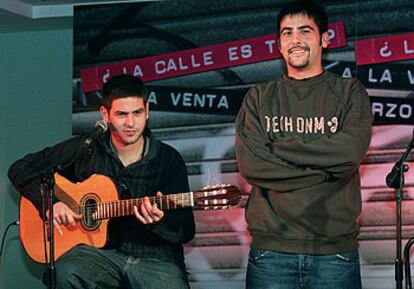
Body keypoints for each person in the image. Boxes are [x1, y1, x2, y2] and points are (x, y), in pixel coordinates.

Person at [8, 74, 195, 289]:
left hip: (154, 257)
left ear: (147, 111)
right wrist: (49, 205)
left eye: (137, 113)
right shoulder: (86, 148)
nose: (131, 123)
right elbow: (20, 169)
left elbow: (186, 230)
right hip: (96, 255)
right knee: (66, 272)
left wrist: (158, 222)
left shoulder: (168, 159)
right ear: (105, 114)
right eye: (121, 114)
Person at [235, 1, 372, 288]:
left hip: (334, 253)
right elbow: (252, 165)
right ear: (279, 45)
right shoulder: (259, 97)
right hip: (271, 252)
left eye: (304, 31)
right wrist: (326, 170)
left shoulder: (349, 92)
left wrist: (279, 146)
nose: (295, 40)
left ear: (324, 38)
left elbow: (348, 154)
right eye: (287, 33)